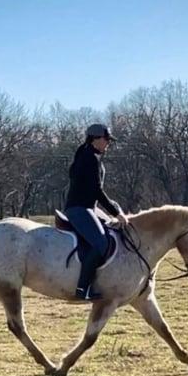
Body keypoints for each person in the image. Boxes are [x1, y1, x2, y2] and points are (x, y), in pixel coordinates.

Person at [64, 123, 129, 300]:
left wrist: (114, 210)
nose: (108, 143)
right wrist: (116, 212)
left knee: (111, 230)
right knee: (100, 243)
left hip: (89, 207)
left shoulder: (86, 155)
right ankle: (82, 289)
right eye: (106, 140)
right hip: (79, 208)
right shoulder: (89, 159)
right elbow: (96, 191)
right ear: (96, 139)